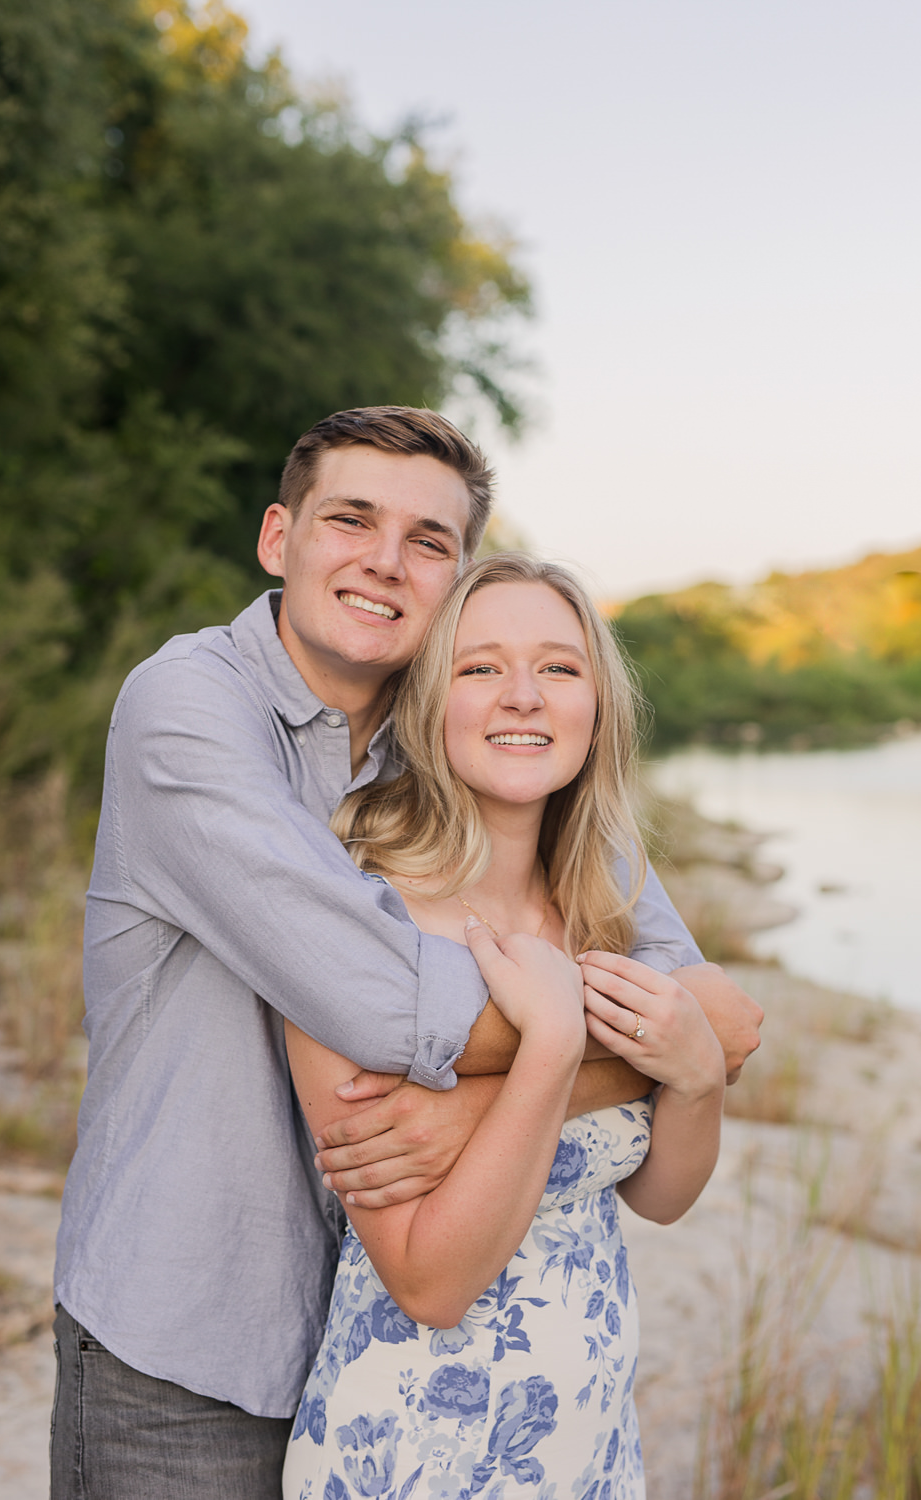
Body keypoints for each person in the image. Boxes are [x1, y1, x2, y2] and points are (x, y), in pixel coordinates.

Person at [49, 407, 763, 1499]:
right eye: (350, 520)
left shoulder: (477, 750)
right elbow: (385, 1003)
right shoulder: (188, 708)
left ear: (457, 580)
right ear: (276, 539)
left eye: (427, 541)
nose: (385, 561)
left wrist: (478, 1106)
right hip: (189, 1333)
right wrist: (601, 1050)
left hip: (381, 1337)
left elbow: (715, 1015)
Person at [282, 551, 723, 1496]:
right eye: (481, 667)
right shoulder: (357, 911)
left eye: (559, 668)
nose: (523, 695)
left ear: (596, 704)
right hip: (412, 1450)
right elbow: (429, 1283)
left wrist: (695, 1076)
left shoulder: (604, 898)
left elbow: (657, 1197)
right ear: (429, 700)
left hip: (591, 1444)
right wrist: (552, 1050)